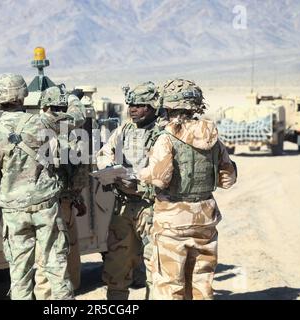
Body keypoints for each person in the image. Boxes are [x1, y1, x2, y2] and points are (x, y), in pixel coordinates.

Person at [0, 74, 86, 300]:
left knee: (20, 274)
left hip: (14, 214)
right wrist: (73, 98)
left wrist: (8, 175)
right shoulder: (43, 123)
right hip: (46, 208)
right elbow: (76, 118)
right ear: (23, 95)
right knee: (56, 269)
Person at [138, 79, 237, 300]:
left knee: (169, 286)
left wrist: (141, 173)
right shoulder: (214, 140)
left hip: (172, 223)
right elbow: (228, 180)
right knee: (201, 285)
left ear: (169, 106)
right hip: (205, 221)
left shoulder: (166, 139)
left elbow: (159, 179)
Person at [96, 81, 165, 300]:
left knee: (156, 268)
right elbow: (105, 153)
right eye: (130, 105)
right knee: (117, 266)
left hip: (152, 207)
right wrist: (109, 169)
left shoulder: (164, 133)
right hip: (123, 208)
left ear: (153, 106)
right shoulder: (124, 129)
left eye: (139, 105)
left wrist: (141, 181)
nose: (132, 109)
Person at [33, 86, 88, 298]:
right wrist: (74, 98)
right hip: (56, 203)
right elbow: (78, 116)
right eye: (59, 108)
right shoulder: (56, 127)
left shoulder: (43, 126)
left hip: (56, 202)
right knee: (57, 257)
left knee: (60, 255)